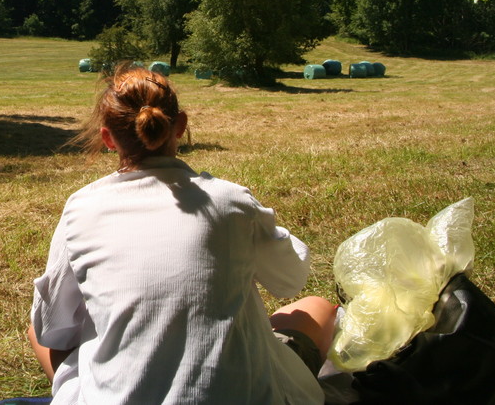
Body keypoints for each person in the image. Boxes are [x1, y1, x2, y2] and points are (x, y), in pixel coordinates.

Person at [27, 65, 336, 404]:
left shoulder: (81, 208)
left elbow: (53, 329)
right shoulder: (231, 200)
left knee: (37, 331)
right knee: (315, 307)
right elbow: (290, 280)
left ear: (107, 138)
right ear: (181, 126)